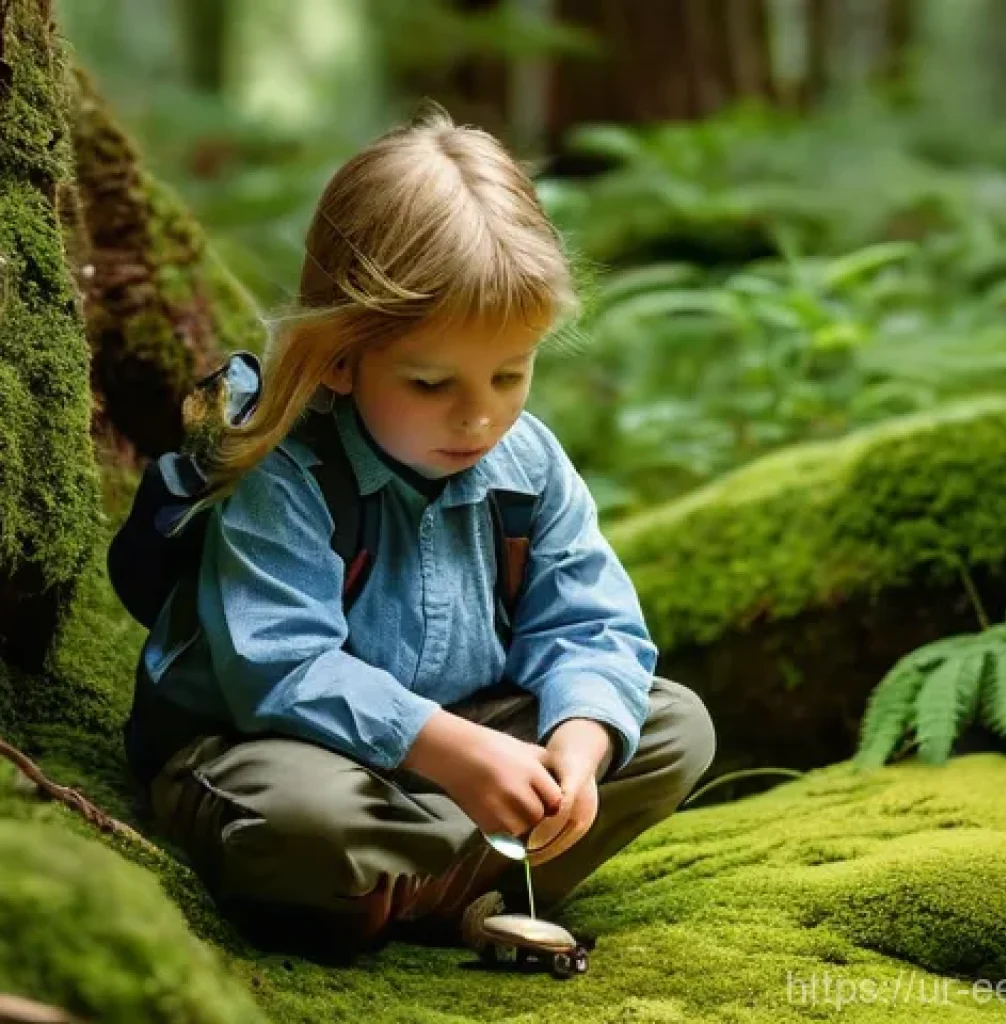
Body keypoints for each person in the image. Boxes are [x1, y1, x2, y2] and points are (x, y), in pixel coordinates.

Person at [123, 102, 716, 961]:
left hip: (459, 746)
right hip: (285, 752)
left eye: (511, 373)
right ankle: (455, 885)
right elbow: (280, 665)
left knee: (671, 726)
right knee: (302, 820)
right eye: (432, 382)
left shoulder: (530, 463)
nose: (479, 416)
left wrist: (576, 749)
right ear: (338, 355)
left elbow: (590, 625)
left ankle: (394, 893)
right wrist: (457, 756)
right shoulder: (283, 469)